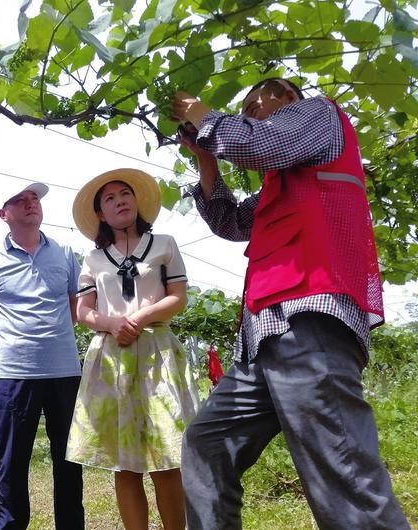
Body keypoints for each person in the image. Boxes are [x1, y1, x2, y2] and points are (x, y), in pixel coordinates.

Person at [172, 78, 410, 529]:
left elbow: (258, 145)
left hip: (310, 320)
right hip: (263, 338)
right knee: (208, 444)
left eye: (263, 97)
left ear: (290, 99)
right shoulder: (282, 181)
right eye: (246, 105)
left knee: (342, 475)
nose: (254, 107)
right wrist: (205, 156)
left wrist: (198, 110)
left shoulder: (317, 115)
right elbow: (229, 221)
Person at [67, 169, 199, 530]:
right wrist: (111, 324)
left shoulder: (164, 245)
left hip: (156, 354)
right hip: (112, 360)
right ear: (100, 215)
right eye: (108, 199)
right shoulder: (93, 260)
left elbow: (177, 298)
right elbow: (83, 311)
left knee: (167, 456)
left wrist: (138, 319)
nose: (119, 201)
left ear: (136, 201)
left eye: (124, 194)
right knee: (124, 462)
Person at [0, 183, 85, 530]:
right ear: (4, 214)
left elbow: (75, 307)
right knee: (12, 464)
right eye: (19, 200)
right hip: (14, 376)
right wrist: (14, 345)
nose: (30, 203)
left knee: (69, 462)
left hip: (65, 372)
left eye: (34, 198)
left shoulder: (64, 252)